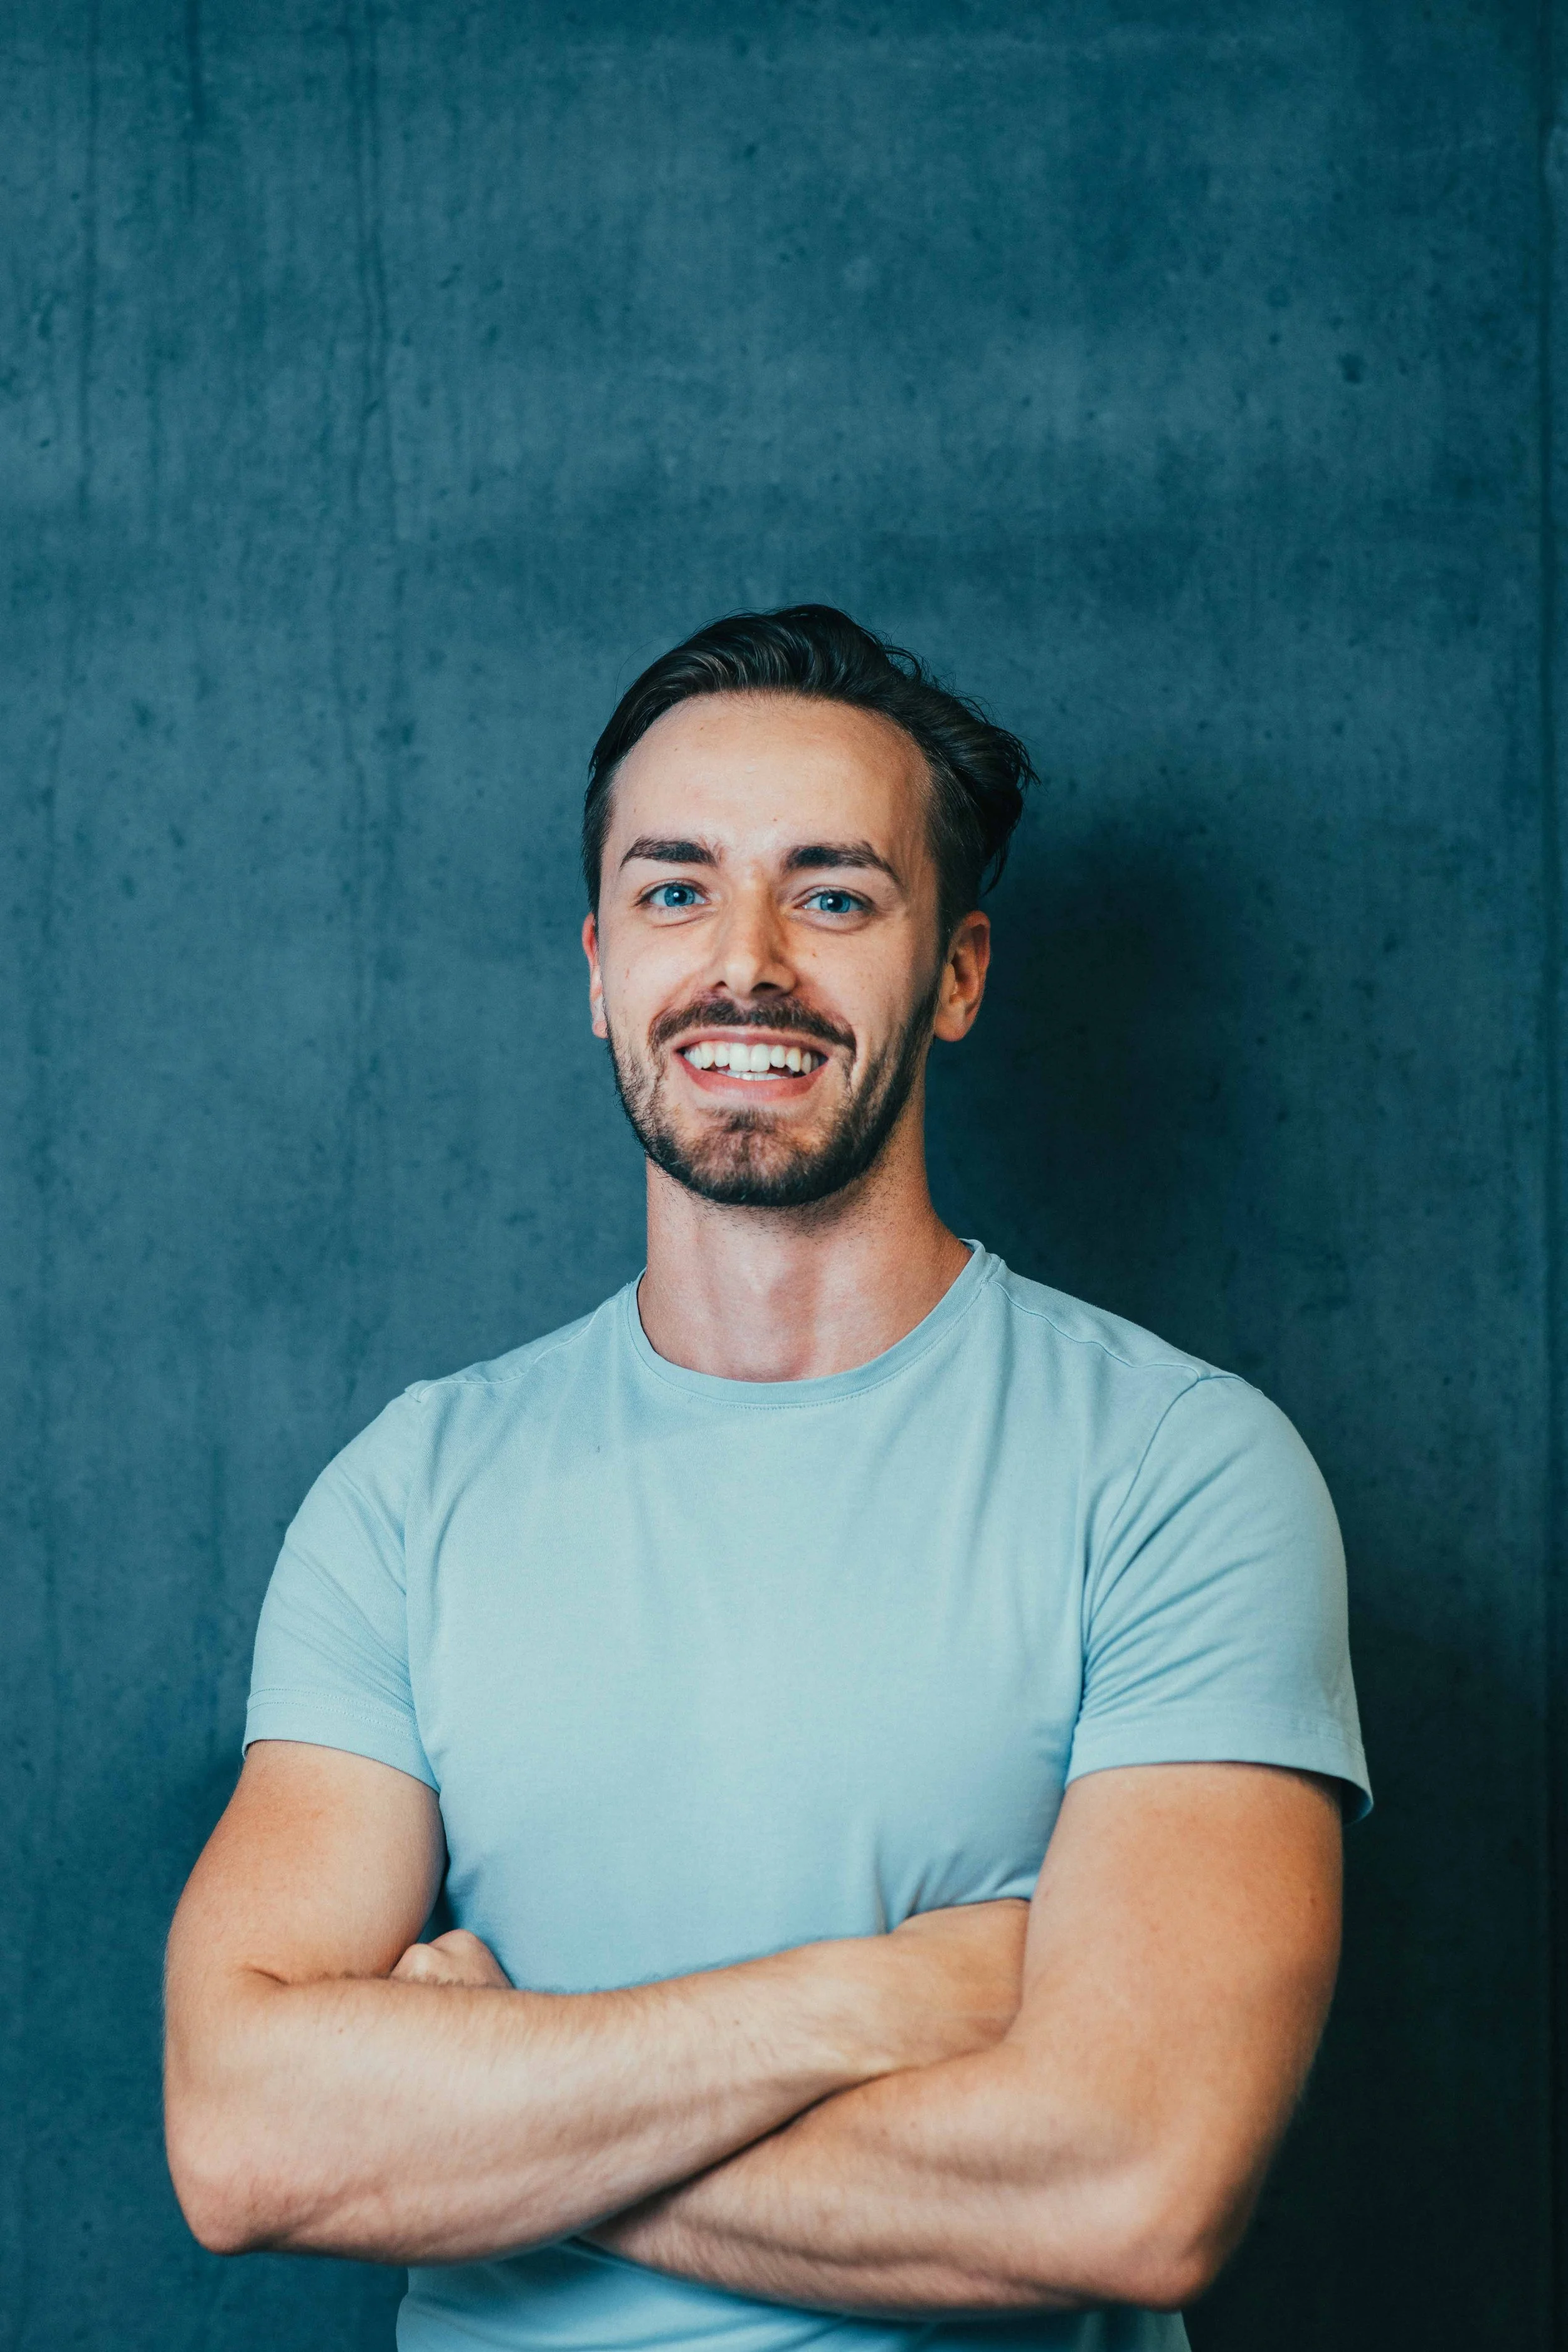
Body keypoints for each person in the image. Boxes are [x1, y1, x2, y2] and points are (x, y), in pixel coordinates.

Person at [164, 605, 1369, 2352]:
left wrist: (477, 2102)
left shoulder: (1178, 1469)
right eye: (674, 889)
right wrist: (883, 1999)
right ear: (596, 966)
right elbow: (242, 2138)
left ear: (954, 970)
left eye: (830, 893)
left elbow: (1130, 2187)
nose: (746, 963)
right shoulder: (412, 1488)